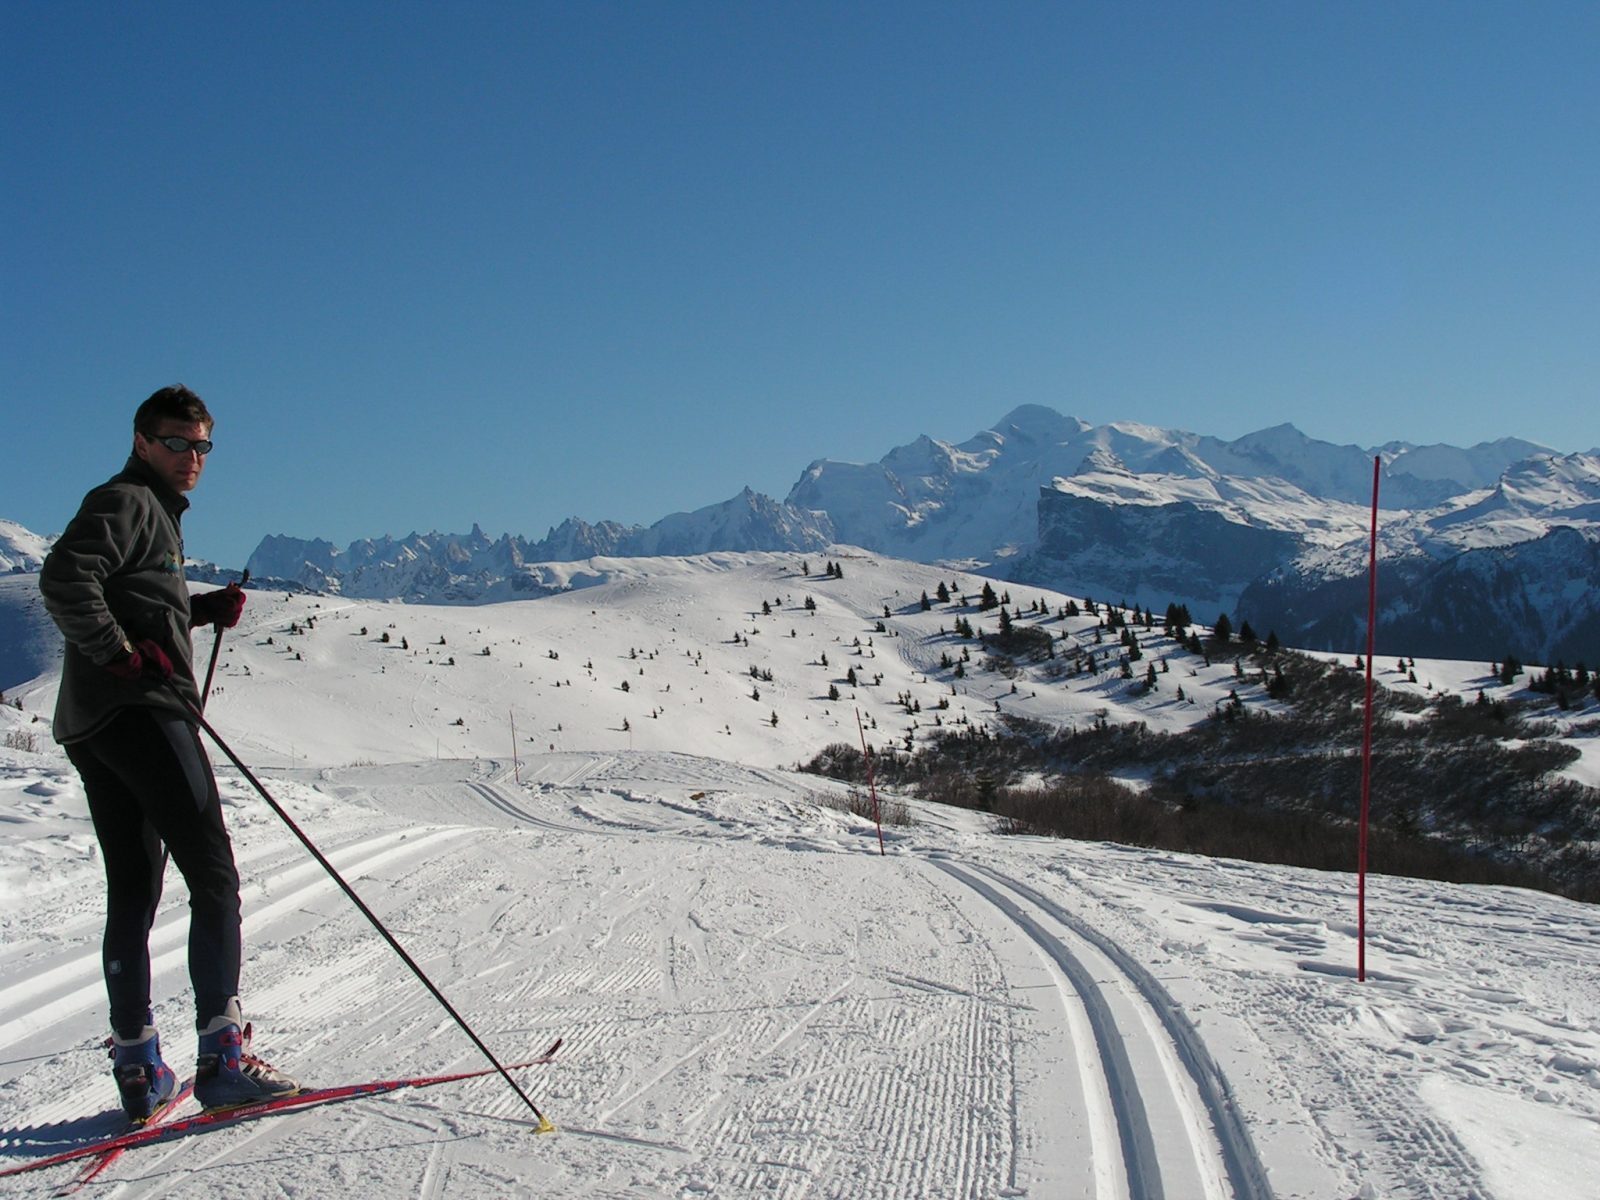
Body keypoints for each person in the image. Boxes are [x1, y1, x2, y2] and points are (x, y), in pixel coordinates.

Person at [39, 385, 298, 1119]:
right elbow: (65, 579)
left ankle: (140, 1068)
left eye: (202, 447)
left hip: (93, 726)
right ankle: (223, 1058)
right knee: (213, 873)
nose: (192, 459)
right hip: (142, 714)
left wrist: (196, 609)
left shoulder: (148, 509)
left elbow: (130, 599)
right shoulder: (127, 500)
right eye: (178, 444)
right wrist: (121, 656)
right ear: (143, 441)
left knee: (133, 888)